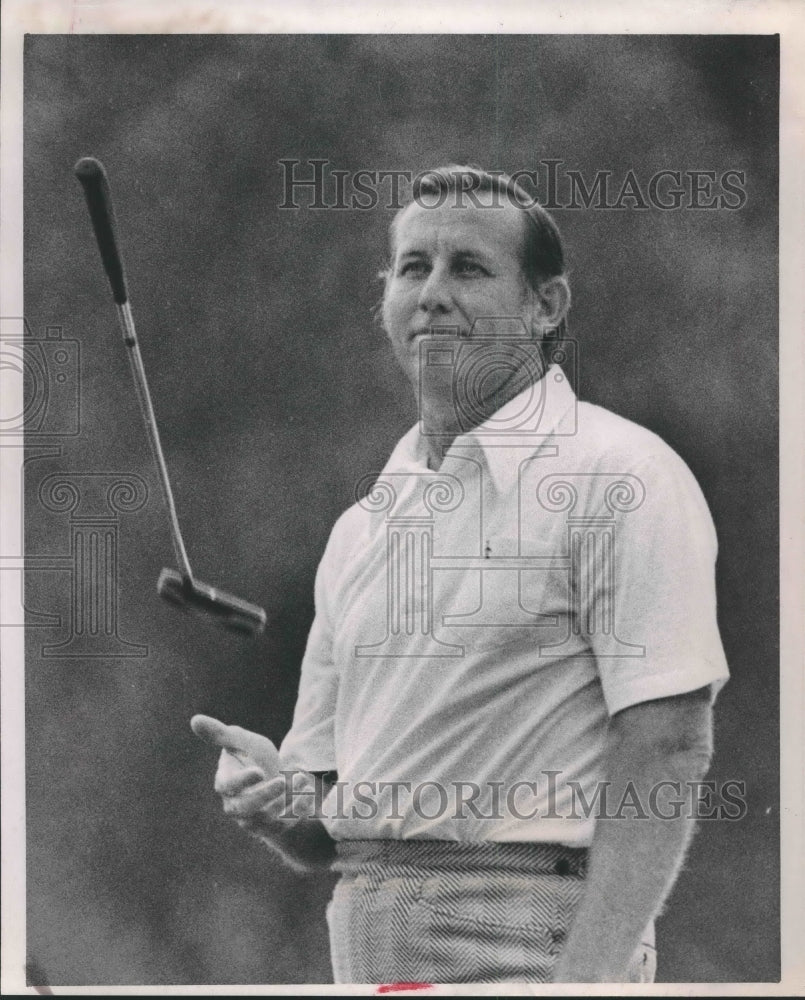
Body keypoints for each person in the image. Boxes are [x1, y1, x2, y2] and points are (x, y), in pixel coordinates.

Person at [192, 165, 730, 984]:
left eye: (468, 268)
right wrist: (277, 804)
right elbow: (324, 826)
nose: (433, 292)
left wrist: (582, 984)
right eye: (413, 267)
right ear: (386, 303)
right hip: (367, 953)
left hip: (532, 953)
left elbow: (667, 745)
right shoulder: (363, 528)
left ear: (544, 307)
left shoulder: (618, 473)